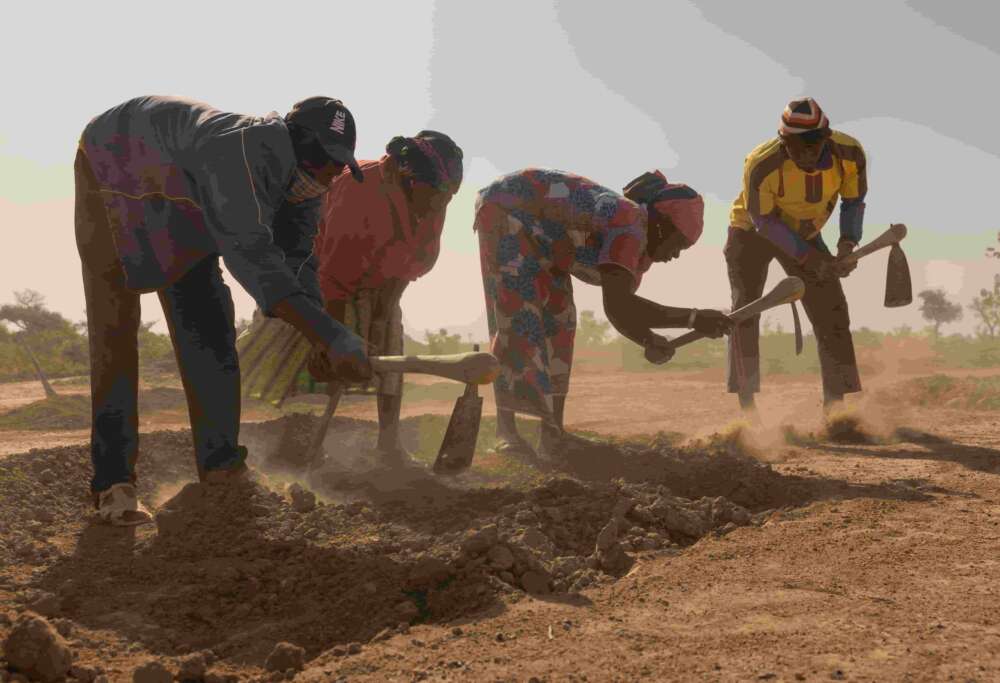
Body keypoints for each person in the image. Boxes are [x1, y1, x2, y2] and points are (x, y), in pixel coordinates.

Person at [76, 95, 373, 525]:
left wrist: (319, 338)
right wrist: (330, 335)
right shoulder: (243, 150)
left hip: (183, 202)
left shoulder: (306, 187)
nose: (330, 174)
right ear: (295, 142)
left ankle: (220, 467)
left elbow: (297, 261)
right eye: (326, 160)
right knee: (115, 328)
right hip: (115, 163)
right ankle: (113, 483)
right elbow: (252, 255)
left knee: (211, 329)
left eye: (339, 166)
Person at [475, 168, 732, 460]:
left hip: (545, 242)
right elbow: (620, 305)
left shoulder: (638, 248)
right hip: (507, 208)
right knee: (521, 319)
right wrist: (694, 318)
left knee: (560, 321)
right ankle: (508, 434)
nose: (676, 255)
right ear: (662, 225)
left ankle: (551, 434)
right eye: (679, 244)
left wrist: (647, 339)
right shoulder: (629, 223)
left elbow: (619, 311)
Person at [308, 130, 463, 459]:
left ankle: (389, 444)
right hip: (320, 271)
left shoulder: (434, 198)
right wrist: (335, 339)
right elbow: (333, 276)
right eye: (438, 194)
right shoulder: (360, 190)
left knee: (390, 336)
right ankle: (308, 441)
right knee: (331, 354)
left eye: (449, 196)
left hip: (379, 277)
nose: (442, 203)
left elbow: (413, 260)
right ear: (409, 179)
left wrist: (383, 313)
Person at [726, 97, 868, 416]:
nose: (804, 154)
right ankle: (748, 413)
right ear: (783, 141)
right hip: (750, 232)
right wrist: (810, 259)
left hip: (805, 232)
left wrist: (847, 245)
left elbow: (853, 202)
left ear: (825, 139)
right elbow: (764, 222)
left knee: (831, 309)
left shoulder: (850, 154)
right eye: (795, 146)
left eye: (811, 146)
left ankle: (836, 411)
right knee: (745, 309)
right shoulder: (761, 164)